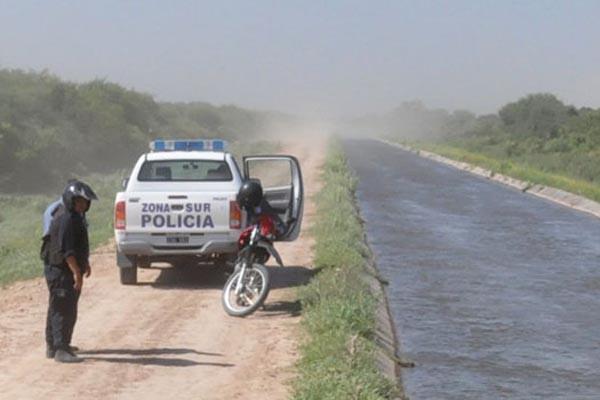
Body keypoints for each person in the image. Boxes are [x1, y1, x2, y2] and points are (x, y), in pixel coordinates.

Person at [43, 181, 97, 363]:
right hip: (61, 270)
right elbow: (67, 251)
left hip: (61, 269)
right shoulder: (66, 218)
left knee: (58, 306)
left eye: (85, 202)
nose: (83, 205)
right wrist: (77, 273)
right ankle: (60, 349)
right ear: (71, 200)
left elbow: (77, 246)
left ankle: (54, 346)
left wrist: (85, 263)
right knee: (64, 309)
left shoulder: (74, 217)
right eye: (79, 201)